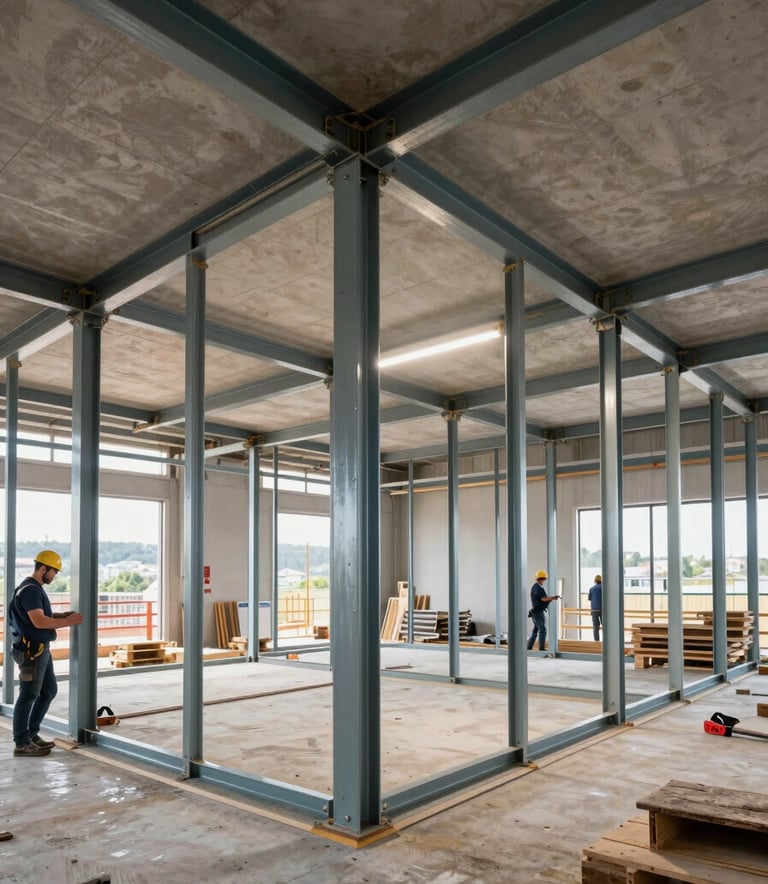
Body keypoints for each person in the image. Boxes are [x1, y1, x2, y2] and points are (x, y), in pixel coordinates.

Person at [8, 550, 83, 757]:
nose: (54, 575)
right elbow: (39, 621)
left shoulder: (34, 589)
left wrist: (62, 615)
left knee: (48, 691)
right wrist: (67, 622)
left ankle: (31, 735)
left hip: (40, 650)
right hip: (31, 653)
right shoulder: (30, 590)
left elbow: (43, 615)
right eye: (53, 571)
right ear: (43, 569)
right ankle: (21, 742)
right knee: (28, 694)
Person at [527, 568, 560, 651]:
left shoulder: (538, 587)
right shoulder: (537, 587)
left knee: (535, 630)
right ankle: (541, 648)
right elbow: (543, 599)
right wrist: (552, 598)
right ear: (540, 579)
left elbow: (544, 599)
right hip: (537, 612)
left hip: (538, 612)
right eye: (542, 579)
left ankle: (529, 647)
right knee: (542, 630)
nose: (543, 580)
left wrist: (551, 598)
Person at [588, 574, 603, 641]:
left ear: (595, 580)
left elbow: (590, 598)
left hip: (594, 610)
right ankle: (606, 643)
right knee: (605, 626)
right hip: (603, 610)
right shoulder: (604, 588)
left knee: (595, 627)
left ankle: (596, 642)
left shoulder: (591, 589)